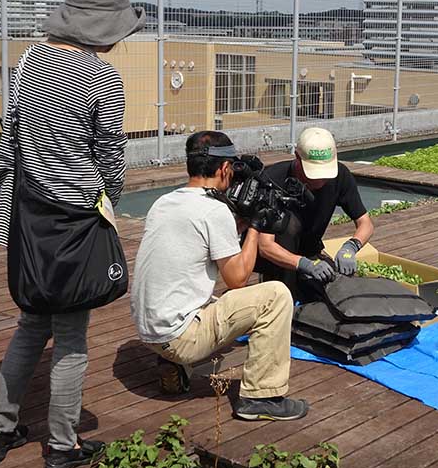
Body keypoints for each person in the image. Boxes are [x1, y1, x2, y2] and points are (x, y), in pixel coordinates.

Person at [0, 0, 145, 468]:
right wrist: (108, 201)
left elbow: (8, 148)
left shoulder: (28, 61)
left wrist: (5, 223)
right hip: (76, 219)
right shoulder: (103, 77)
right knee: (72, 335)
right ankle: (61, 446)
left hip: (30, 212)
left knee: (31, 323)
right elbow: (110, 155)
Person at [130, 131, 309, 421]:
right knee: (275, 296)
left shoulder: (164, 202)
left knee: (217, 299)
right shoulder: (214, 211)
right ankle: (261, 397)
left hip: (148, 330)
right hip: (179, 336)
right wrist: (255, 225)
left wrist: (239, 223)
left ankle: (174, 365)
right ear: (225, 169)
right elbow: (237, 279)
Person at [255, 127, 374, 302]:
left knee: (334, 294)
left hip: (310, 250)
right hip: (275, 256)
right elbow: (265, 246)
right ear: (297, 158)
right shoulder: (272, 179)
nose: (320, 180)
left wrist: (351, 246)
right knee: (284, 299)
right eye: (314, 174)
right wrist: (302, 264)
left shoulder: (340, 176)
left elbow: (366, 223)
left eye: (325, 174)